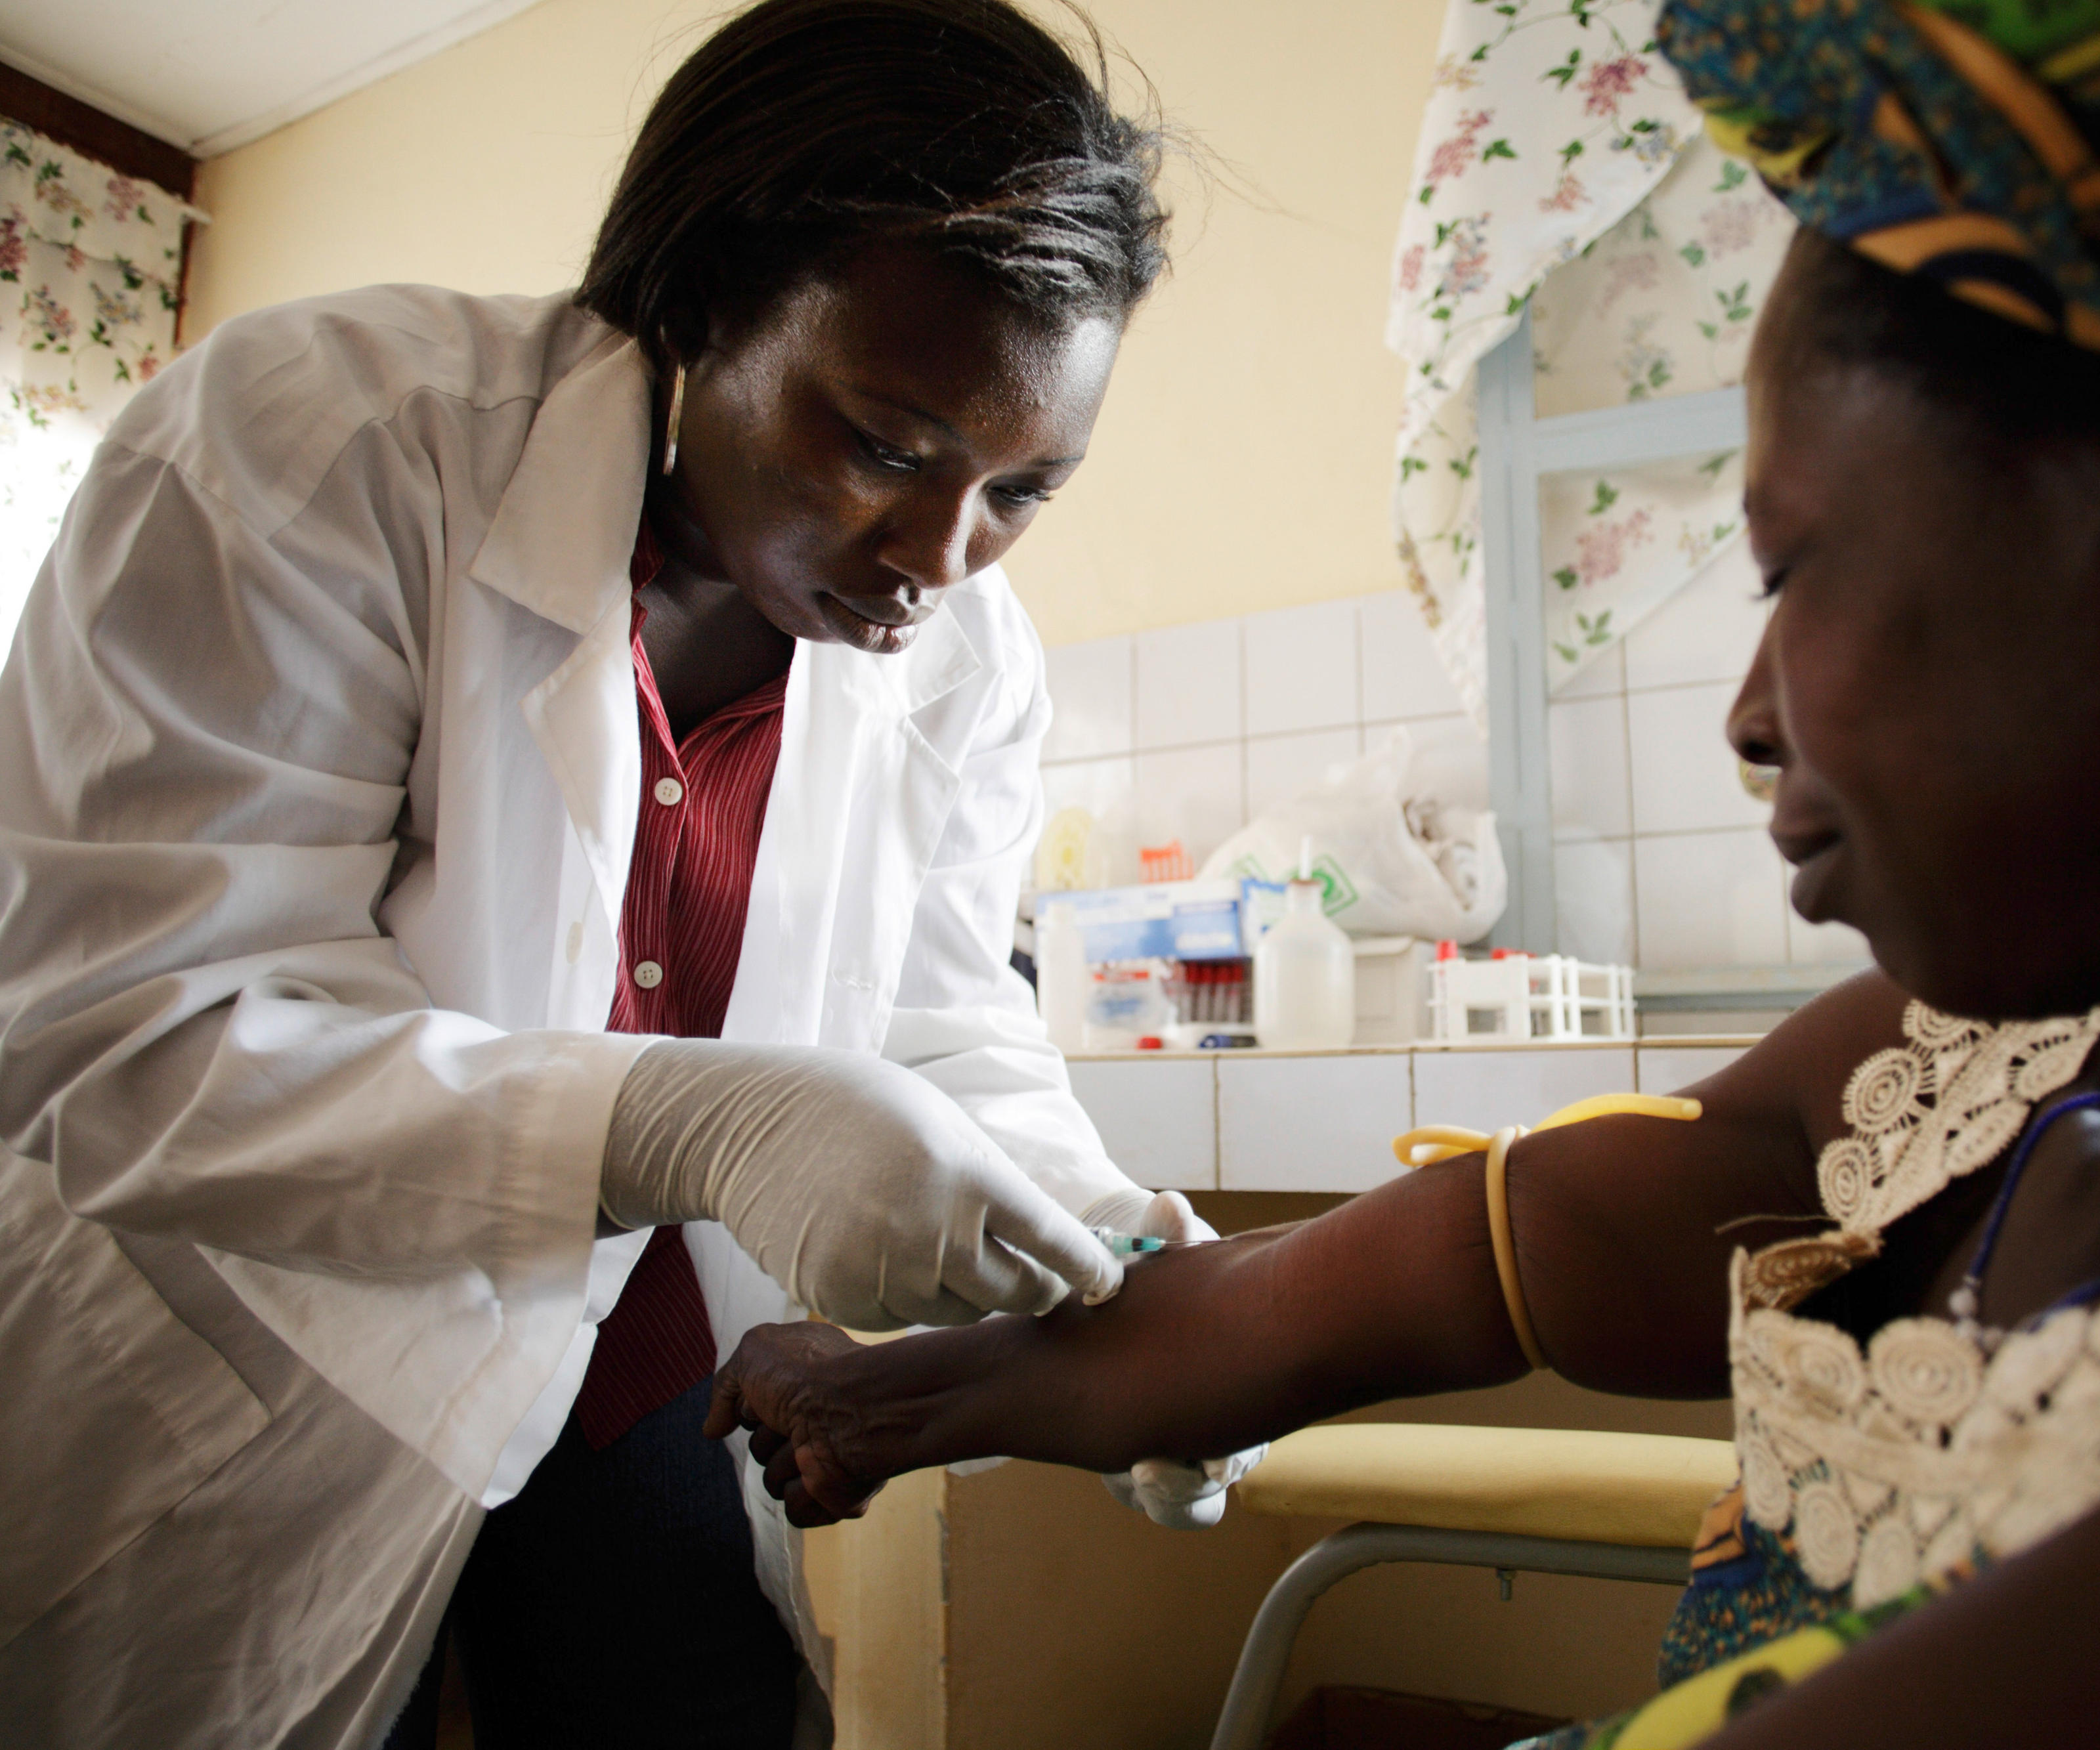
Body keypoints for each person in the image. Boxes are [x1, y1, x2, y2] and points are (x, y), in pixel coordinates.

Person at [706, 0, 2100, 1741]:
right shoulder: (1977, 1070)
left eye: (1791, 569)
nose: (1751, 714)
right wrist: (915, 1394)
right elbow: (1418, 1273)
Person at [0, 3, 1241, 1745]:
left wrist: (1109, 1246)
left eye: (1023, 488)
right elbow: (140, 1036)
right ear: (693, 300)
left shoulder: (968, 657)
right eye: (885, 444)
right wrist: (683, 1123)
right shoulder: (323, 446)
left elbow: (944, 1022)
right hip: (246, 1358)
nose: (941, 559)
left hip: (637, 1388)